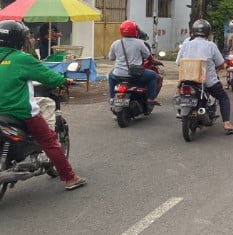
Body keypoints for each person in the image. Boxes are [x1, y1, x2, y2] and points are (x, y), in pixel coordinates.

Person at [0, 20, 87, 191]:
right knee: (49, 141)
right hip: (19, 112)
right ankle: (70, 178)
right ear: (18, 40)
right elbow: (48, 77)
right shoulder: (21, 59)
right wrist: (65, 80)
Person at [177, 19, 233, 134]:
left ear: (193, 31)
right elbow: (220, 64)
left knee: (179, 90)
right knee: (223, 98)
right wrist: (223, 65)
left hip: (187, 79)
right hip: (207, 81)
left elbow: (178, 62)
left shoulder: (186, 43)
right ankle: (227, 123)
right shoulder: (211, 45)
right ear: (208, 32)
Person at [108, 20, 160, 105]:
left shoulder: (116, 43)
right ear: (135, 31)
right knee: (153, 76)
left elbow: (111, 58)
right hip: (136, 75)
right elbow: (148, 57)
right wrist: (155, 62)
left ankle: (111, 97)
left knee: (111, 75)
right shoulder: (140, 43)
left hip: (118, 75)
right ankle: (150, 98)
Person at [138, 28, 164, 95]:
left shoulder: (119, 43)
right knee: (155, 76)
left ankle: (112, 97)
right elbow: (149, 57)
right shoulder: (142, 44)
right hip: (139, 70)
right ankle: (151, 97)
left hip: (122, 71)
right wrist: (158, 62)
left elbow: (112, 57)